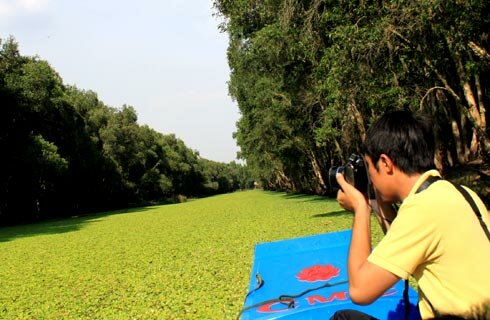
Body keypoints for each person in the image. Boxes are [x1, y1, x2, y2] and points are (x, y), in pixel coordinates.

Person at [331, 110, 490, 319]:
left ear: (386, 163)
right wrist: (376, 200)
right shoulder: (460, 193)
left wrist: (361, 209)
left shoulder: (423, 209)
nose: (371, 178)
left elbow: (360, 291)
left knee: (344, 317)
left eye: (370, 169)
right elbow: (403, 248)